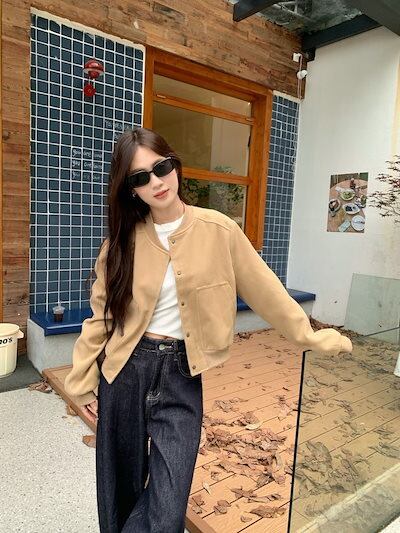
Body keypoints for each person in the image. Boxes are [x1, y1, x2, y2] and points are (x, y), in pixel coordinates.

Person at [64, 127, 353, 532]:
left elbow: (265, 290)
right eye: (141, 177)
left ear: (175, 165)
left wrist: (307, 336)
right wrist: (82, 381)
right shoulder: (121, 243)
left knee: (168, 506)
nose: (156, 182)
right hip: (124, 372)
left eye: (161, 168)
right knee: (118, 494)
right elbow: (101, 317)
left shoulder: (219, 229)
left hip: (181, 375)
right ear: (132, 189)